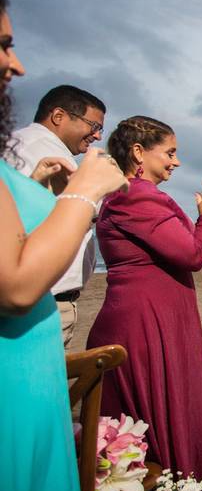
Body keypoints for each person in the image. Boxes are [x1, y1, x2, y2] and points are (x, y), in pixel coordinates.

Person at [0, 0, 128, 491]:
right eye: (4, 45)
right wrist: (86, 190)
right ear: (58, 117)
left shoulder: (29, 157)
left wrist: (35, 188)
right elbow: (16, 284)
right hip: (24, 336)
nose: (17, 64)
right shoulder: (44, 146)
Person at [85, 115, 202, 483]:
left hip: (159, 316)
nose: (176, 161)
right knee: (155, 415)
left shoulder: (138, 196)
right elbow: (192, 255)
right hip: (145, 323)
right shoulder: (134, 197)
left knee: (167, 409)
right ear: (138, 152)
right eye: (169, 152)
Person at [8, 85, 107, 347]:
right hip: (43, 300)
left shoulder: (19, 142)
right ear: (59, 116)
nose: (97, 136)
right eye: (93, 125)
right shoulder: (43, 149)